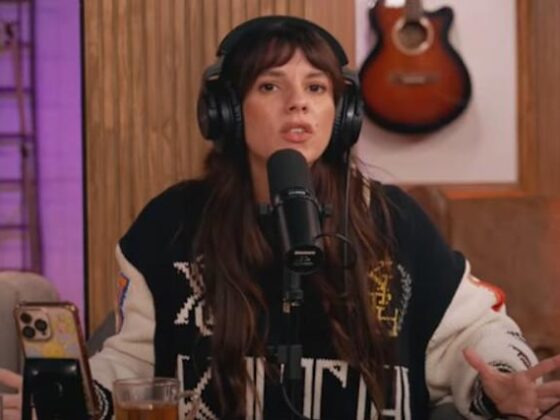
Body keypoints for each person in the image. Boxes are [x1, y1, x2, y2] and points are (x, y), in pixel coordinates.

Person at [2, 15, 560, 420]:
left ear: (341, 114)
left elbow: (473, 333)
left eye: (316, 88)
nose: (298, 103)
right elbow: (133, 360)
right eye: (270, 86)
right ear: (225, 112)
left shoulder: (392, 221)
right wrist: (72, 399)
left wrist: (506, 383)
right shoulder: (172, 224)